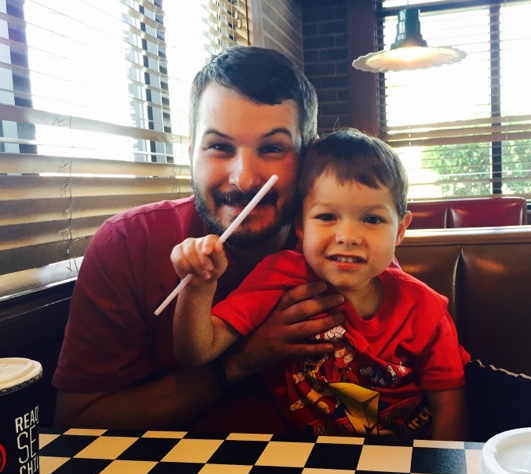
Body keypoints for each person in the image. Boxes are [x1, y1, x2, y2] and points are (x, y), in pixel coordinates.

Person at [52, 46, 346, 431]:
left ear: (308, 156)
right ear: (191, 152)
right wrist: (239, 362)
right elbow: (78, 421)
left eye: (273, 148)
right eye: (220, 147)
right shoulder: (128, 243)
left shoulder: (346, 238)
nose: (244, 179)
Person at [171, 128, 470, 440]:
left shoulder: (425, 308)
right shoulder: (279, 276)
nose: (347, 236)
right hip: (309, 456)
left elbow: (448, 402)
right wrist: (198, 286)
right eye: (327, 216)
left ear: (400, 230)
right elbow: (197, 352)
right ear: (300, 226)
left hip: (410, 453)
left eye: (372, 219)